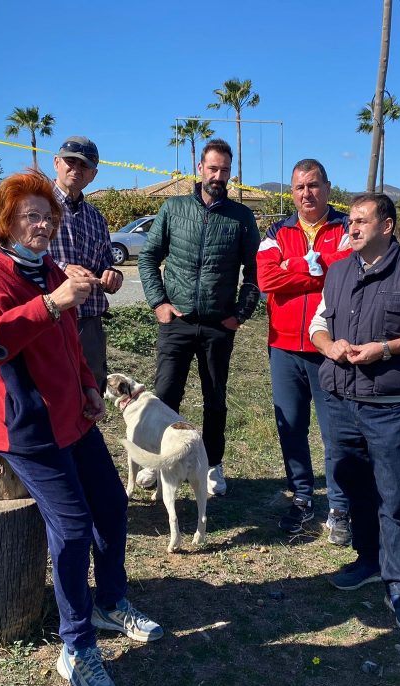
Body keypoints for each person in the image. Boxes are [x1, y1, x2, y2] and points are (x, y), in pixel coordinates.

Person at [0, 169, 162, 686]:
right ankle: (76, 646)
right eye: (32, 216)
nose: (44, 225)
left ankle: (109, 601)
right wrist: (53, 302)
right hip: (25, 427)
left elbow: (70, 340)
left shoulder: (48, 268)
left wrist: (90, 387)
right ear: (4, 221)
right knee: (71, 529)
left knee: (112, 506)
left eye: (49, 216)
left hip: (73, 413)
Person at [309, 193, 400, 635]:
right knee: (354, 488)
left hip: (388, 406)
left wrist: (387, 348)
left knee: (394, 494)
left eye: (361, 221)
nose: (350, 228)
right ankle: (368, 559)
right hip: (339, 400)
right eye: (349, 221)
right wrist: (327, 344)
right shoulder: (338, 271)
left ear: (386, 226)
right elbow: (318, 322)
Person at [137, 138, 260, 496]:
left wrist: (240, 313)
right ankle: (154, 461)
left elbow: (255, 273)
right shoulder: (173, 210)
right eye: (213, 168)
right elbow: (148, 259)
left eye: (224, 170)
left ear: (230, 173)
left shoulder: (241, 217)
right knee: (164, 395)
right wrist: (159, 302)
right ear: (200, 169)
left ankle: (212, 466)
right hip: (176, 321)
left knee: (215, 398)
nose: (218, 175)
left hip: (219, 325)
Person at [257, 159, 351, 541]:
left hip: (328, 346)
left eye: (313, 185)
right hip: (283, 346)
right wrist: (309, 266)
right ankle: (301, 497)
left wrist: (295, 268)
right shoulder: (276, 229)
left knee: (336, 432)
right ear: (292, 192)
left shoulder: (346, 227)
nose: (306, 194)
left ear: (328, 187)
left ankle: (340, 507)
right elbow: (265, 277)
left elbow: (345, 270)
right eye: (299, 187)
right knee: (291, 428)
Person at [47, 135, 123, 385]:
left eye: (85, 166)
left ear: (93, 175)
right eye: (71, 161)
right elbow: (16, 255)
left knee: (90, 390)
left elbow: (105, 263)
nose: (76, 169)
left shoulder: (97, 219)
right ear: (57, 162)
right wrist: (63, 268)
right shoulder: (35, 206)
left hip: (88, 323)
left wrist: (113, 275)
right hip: (49, 318)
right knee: (50, 391)